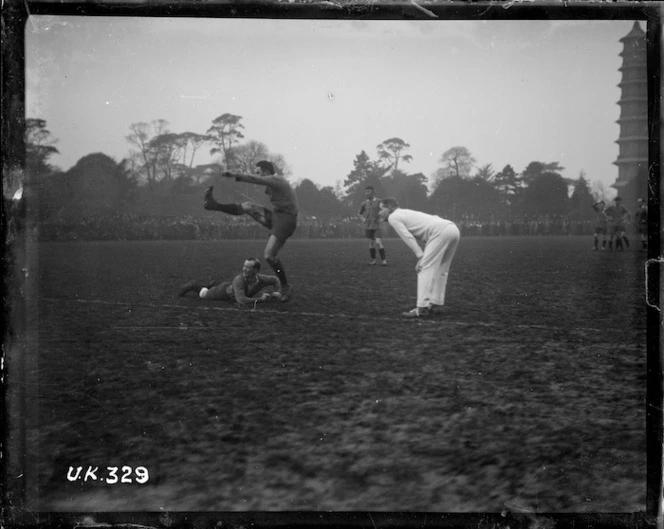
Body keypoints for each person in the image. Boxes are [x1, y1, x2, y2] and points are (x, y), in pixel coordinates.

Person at [203, 160, 297, 301]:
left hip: (286, 221)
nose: (257, 175)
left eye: (258, 172)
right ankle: (213, 205)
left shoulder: (276, 179)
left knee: (269, 255)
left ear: (266, 172)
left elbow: (256, 180)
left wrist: (234, 174)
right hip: (277, 217)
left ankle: (285, 286)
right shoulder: (272, 183)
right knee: (248, 206)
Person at [379, 198, 460, 318]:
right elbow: (428, 235)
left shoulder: (393, 217)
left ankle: (422, 308)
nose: (379, 212)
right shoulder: (404, 212)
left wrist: (421, 256)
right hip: (453, 229)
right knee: (442, 269)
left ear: (389, 208)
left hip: (440, 231)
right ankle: (436, 304)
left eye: (381, 209)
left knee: (424, 269)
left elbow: (407, 237)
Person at [178, 257, 282, 306]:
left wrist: (278, 291)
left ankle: (213, 284)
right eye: (244, 266)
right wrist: (261, 299)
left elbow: (275, 279)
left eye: (248, 267)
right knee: (203, 294)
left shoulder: (260, 278)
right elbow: (241, 300)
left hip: (231, 287)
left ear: (256, 270)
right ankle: (194, 285)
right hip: (222, 292)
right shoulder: (239, 280)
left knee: (228, 286)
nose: (244, 269)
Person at [358, 185, 387, 266]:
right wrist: (362, 219)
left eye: (368, 192)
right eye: (366, 192)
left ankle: (383, 260)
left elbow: (385, 211)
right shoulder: (364, 203)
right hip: (368, 226)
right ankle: (373, 260)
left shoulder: (379, 201)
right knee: (371, 243)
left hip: (377, 226)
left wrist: (382, 219)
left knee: (378, 243)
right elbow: (359, 213)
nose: (367, 193)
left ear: (373, 192)